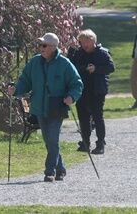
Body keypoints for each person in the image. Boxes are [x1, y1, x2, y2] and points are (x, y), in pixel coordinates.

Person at [8, 32, 83, 182]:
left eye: (44, 45)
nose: (41, 48)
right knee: (49, 141)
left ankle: (50, 171)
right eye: (40, 45)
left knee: (53, 140)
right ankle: (61, 169)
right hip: (39, 108)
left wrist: (71, 97)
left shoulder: (65, 64)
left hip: (57, 107)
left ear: (53, 47)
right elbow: (25, 80)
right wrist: (16, 90)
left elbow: (77, 83)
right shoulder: (34, 62)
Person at [70, 29, 115, 154]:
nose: (84, 45)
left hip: (97, 90)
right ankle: (85, 142)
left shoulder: (103, 53)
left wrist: (96, 69)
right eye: (82, 42)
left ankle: (100, 143)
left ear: (93, 41)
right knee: (83, 118)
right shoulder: (78, 53)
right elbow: (71, 67)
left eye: (87, 42)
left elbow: (111, 67)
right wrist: (85, 68)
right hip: (82, 90)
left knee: (97, 117)